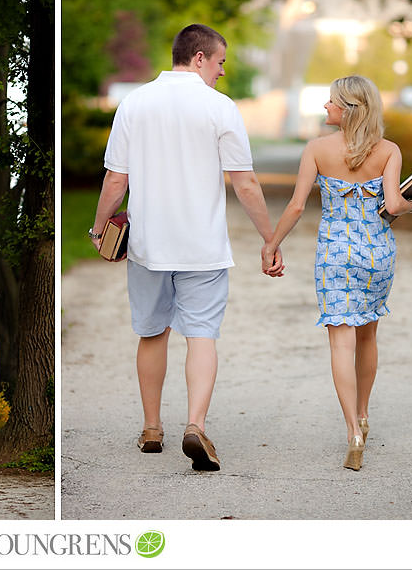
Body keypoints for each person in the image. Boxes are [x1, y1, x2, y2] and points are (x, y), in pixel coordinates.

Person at [90, 23, 284, 472]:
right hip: (202, 247)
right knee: (202, 334)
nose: (221, 72)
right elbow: (246, 183)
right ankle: (195, 424)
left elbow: (116, 180)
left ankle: (152, 428)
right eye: (219, 63)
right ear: (199, 58)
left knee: (152, 332)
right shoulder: (220, 108)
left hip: (147, 245)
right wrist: (269, 239)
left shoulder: (134, 104)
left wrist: (100, 229)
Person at [261, 74, 412, 471]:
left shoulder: (317, 150)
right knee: (369, 333)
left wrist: (272, 244)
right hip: (377, 255)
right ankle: (365, 414)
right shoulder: (388, 150)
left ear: (349, 108)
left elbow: (297, 207)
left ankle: (352, 430)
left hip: (335, 255)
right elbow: (393, 204)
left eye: (331, 101)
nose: (326, 107)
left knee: (341, 343)